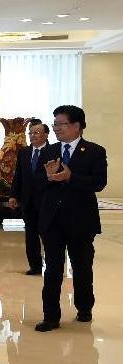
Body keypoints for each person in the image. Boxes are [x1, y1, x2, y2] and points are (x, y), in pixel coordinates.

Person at [34, 105, 107, 331]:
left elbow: (99, 183)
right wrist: (48, 177)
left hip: (81, 221)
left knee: (82, 267)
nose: (56, 128)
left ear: (77, 126)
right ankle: (50, 316)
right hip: (52, 221)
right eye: (55, 124)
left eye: (61, 124)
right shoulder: (49, 151)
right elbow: (36, 182)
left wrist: (70, 177)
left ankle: (84, 308)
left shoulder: (94, 151)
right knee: (52, 270)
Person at [9, 121, 51, 275]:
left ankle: (53, 266)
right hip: (28, 201)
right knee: (31, 235)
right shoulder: (24, 152)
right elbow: (18, 176)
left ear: (46, 135)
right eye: (30, 133)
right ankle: (35, 266)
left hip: (47, 201)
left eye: (36, 133)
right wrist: (14, 195)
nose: (32, 136)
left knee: (48, 235)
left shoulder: (53, 151)